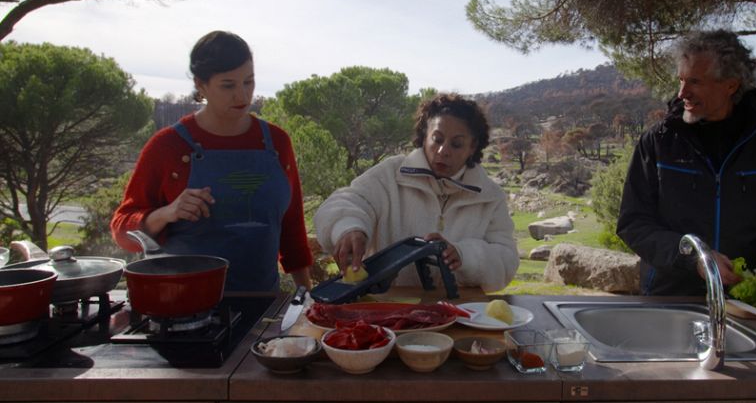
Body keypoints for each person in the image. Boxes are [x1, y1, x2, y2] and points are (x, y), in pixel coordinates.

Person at [111, 30, 312, 292]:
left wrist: (305, 298)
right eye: (228, 85)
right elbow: (121, 231)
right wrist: (166, 213)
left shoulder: (277, 142)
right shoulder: (168, 147)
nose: (242, 96)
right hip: (182, 308)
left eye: (248, 82)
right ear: (201, 84)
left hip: (262, 308)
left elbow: (292, 228)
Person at [617, 29, 756, 296]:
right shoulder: (658, 141)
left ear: (731, 85)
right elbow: (633, 223)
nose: (682, 92)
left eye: (695, 82)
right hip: (670, 297)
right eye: (681, 80)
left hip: (750, 298)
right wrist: (694, 258)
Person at [314, 93, 518, 292]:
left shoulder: (490, 196)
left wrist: (465, 255)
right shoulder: (390, 174)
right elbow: (346, 201)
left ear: (473, 146)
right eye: (437, 139)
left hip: (461, 316)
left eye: (456, 144)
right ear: (424, 136)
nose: (443, 151)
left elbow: (507, 259)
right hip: (387, 314)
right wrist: (349, 227)